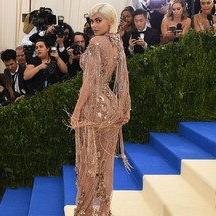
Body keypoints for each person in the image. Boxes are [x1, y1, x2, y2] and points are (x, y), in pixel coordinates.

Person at [70, 3, 131, 215]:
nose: (93, 25)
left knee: (89, 164)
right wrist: (125, 107)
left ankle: (86, 211)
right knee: (106, 165)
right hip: (111, 106)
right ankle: (103, 210)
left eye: (98, 20)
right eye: (92, 21)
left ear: (110, 21)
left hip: (94, 107)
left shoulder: (96, 43)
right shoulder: (116, 42)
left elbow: (88, 83)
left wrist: (77, 111)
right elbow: (123, 79)